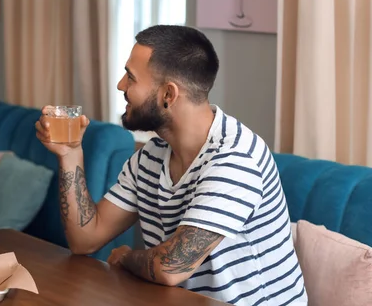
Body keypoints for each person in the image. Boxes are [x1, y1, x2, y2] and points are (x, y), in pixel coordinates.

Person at [36, 25, 307, 305]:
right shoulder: (151, 156)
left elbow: (170, 267)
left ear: (168, 94)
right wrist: (70, 154)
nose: (121, 85)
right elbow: (85, 239)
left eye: (131, 78)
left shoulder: (235, 159)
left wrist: (126, 257)